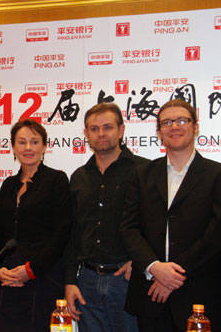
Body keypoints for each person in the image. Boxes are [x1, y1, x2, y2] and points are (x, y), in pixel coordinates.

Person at [120, 99, 221, 331]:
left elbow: (216, 235)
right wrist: (154, 267)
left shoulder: (218, 175)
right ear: (159, 132)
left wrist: (173, 274)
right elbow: (129, 228)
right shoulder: (142, 174)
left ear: (195, 127)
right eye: (167, 122)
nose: (174, 127)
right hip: (150, 292)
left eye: (182, 120)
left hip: (199, 293)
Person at [64, 103, 147, 331]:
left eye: (108, 127)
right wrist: (70, 280)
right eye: (94, 128)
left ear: (121, 130)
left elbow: (157, 225)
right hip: (87, 281)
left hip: (128, 280)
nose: (101, 134)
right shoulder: (79, 177)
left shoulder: (144, 171)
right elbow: (73, 234)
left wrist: (141, 261)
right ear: (86, 134)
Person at [0, 119, 72, 332]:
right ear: (13, 147)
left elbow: (62, 233)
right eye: (22, 142)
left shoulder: (57, 180)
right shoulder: (8, 185)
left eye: (34, 142)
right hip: (8, 280)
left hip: (44, 277)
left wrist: (32, 270)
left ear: (44, 147)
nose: (28, 148)